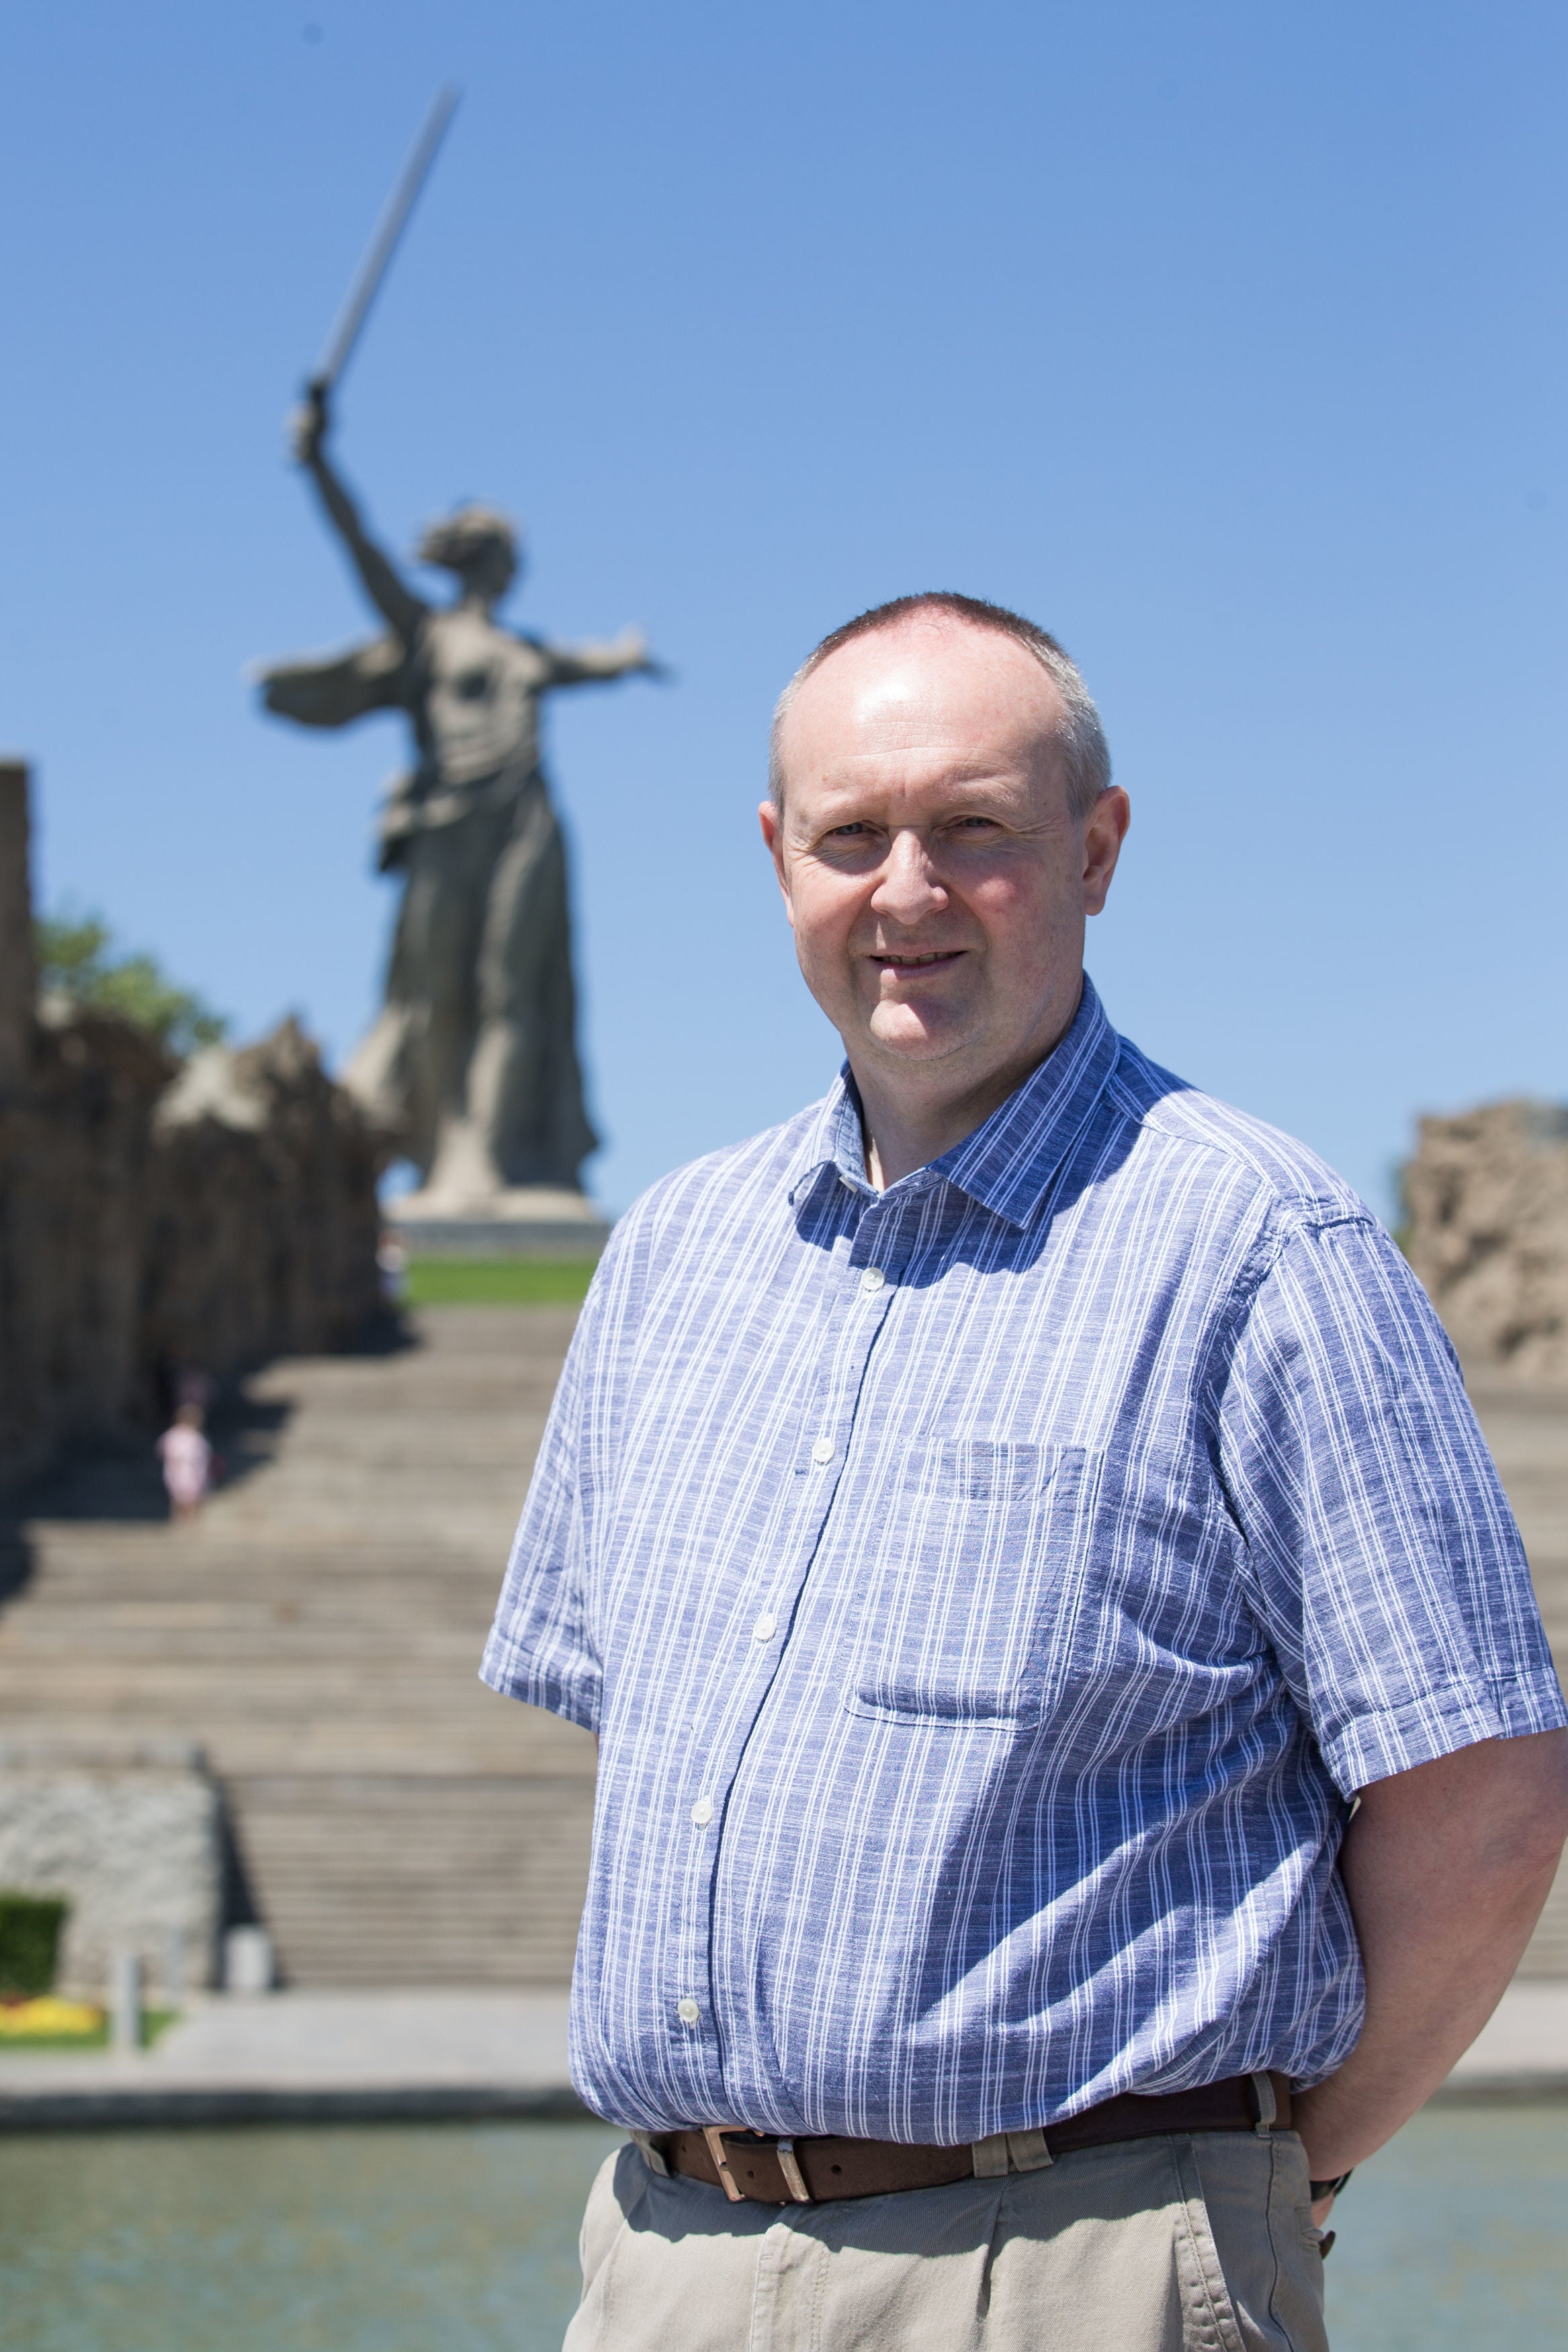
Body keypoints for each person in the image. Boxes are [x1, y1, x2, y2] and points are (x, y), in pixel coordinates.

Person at [482, 593, 1568, 2351]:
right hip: (663, 2264)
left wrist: (1268, 2180)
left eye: (972, 828)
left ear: (1096, 848)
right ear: (778, 859)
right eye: (850, 833)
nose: (902, 889)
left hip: (1076, 2266)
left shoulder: (1256, 1251)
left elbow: (1486, 1793)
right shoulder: (669, 1257)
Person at [256, 386, 661, 1203]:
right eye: (506, 554)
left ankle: (492, 1154)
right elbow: (361, 548)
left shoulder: (525, 650)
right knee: (435, 992)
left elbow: (591, 664)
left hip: (526, 822)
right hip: (448, 821)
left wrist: (626, 658)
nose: (515, 567)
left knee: (516, 989)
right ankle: (442, 1154)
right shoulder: (429, 634)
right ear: (483, 560)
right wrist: (318, 462)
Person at [157, 1401, 213, 1524]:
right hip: (179, 1469)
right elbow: (165, 1450)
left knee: (195, 1496)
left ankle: (193, 1521)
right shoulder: (174, 1435)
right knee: (179, 1496)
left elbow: (205, 1454)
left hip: (196, 1469)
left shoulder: (198, 1436)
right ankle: (179, 1519)